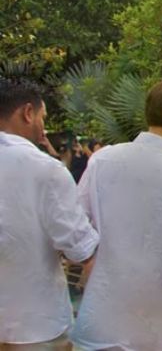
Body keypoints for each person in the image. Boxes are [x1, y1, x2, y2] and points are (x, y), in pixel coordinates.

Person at [71, 79, 162, 351]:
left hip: (101, 322)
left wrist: (95, 265)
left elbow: (75, 227)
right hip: (157, 331)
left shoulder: (102, 161)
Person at [0, 77, 99, 349]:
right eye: (43, 117)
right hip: (35, 323)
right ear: (28, 112)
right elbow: (78, 246)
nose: (43, 128)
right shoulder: (45, 169)